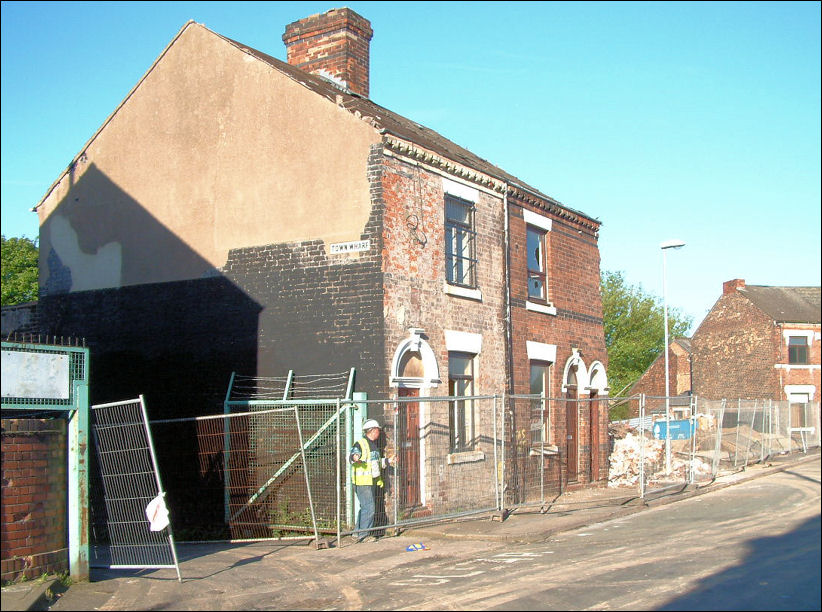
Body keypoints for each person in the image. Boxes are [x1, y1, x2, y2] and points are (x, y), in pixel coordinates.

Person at [350, 419, 396, 543]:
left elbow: (375, 463)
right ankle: (364, 535)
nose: (379, 433)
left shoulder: (373, 445)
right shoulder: (361, 443)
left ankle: (357, 532)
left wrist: (388, 461)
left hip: (370, 481)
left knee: (365, 507)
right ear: (373, 430)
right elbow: (352, 455)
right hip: (363, 482)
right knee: (369, 508)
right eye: (378, 430)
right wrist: (355, 457)